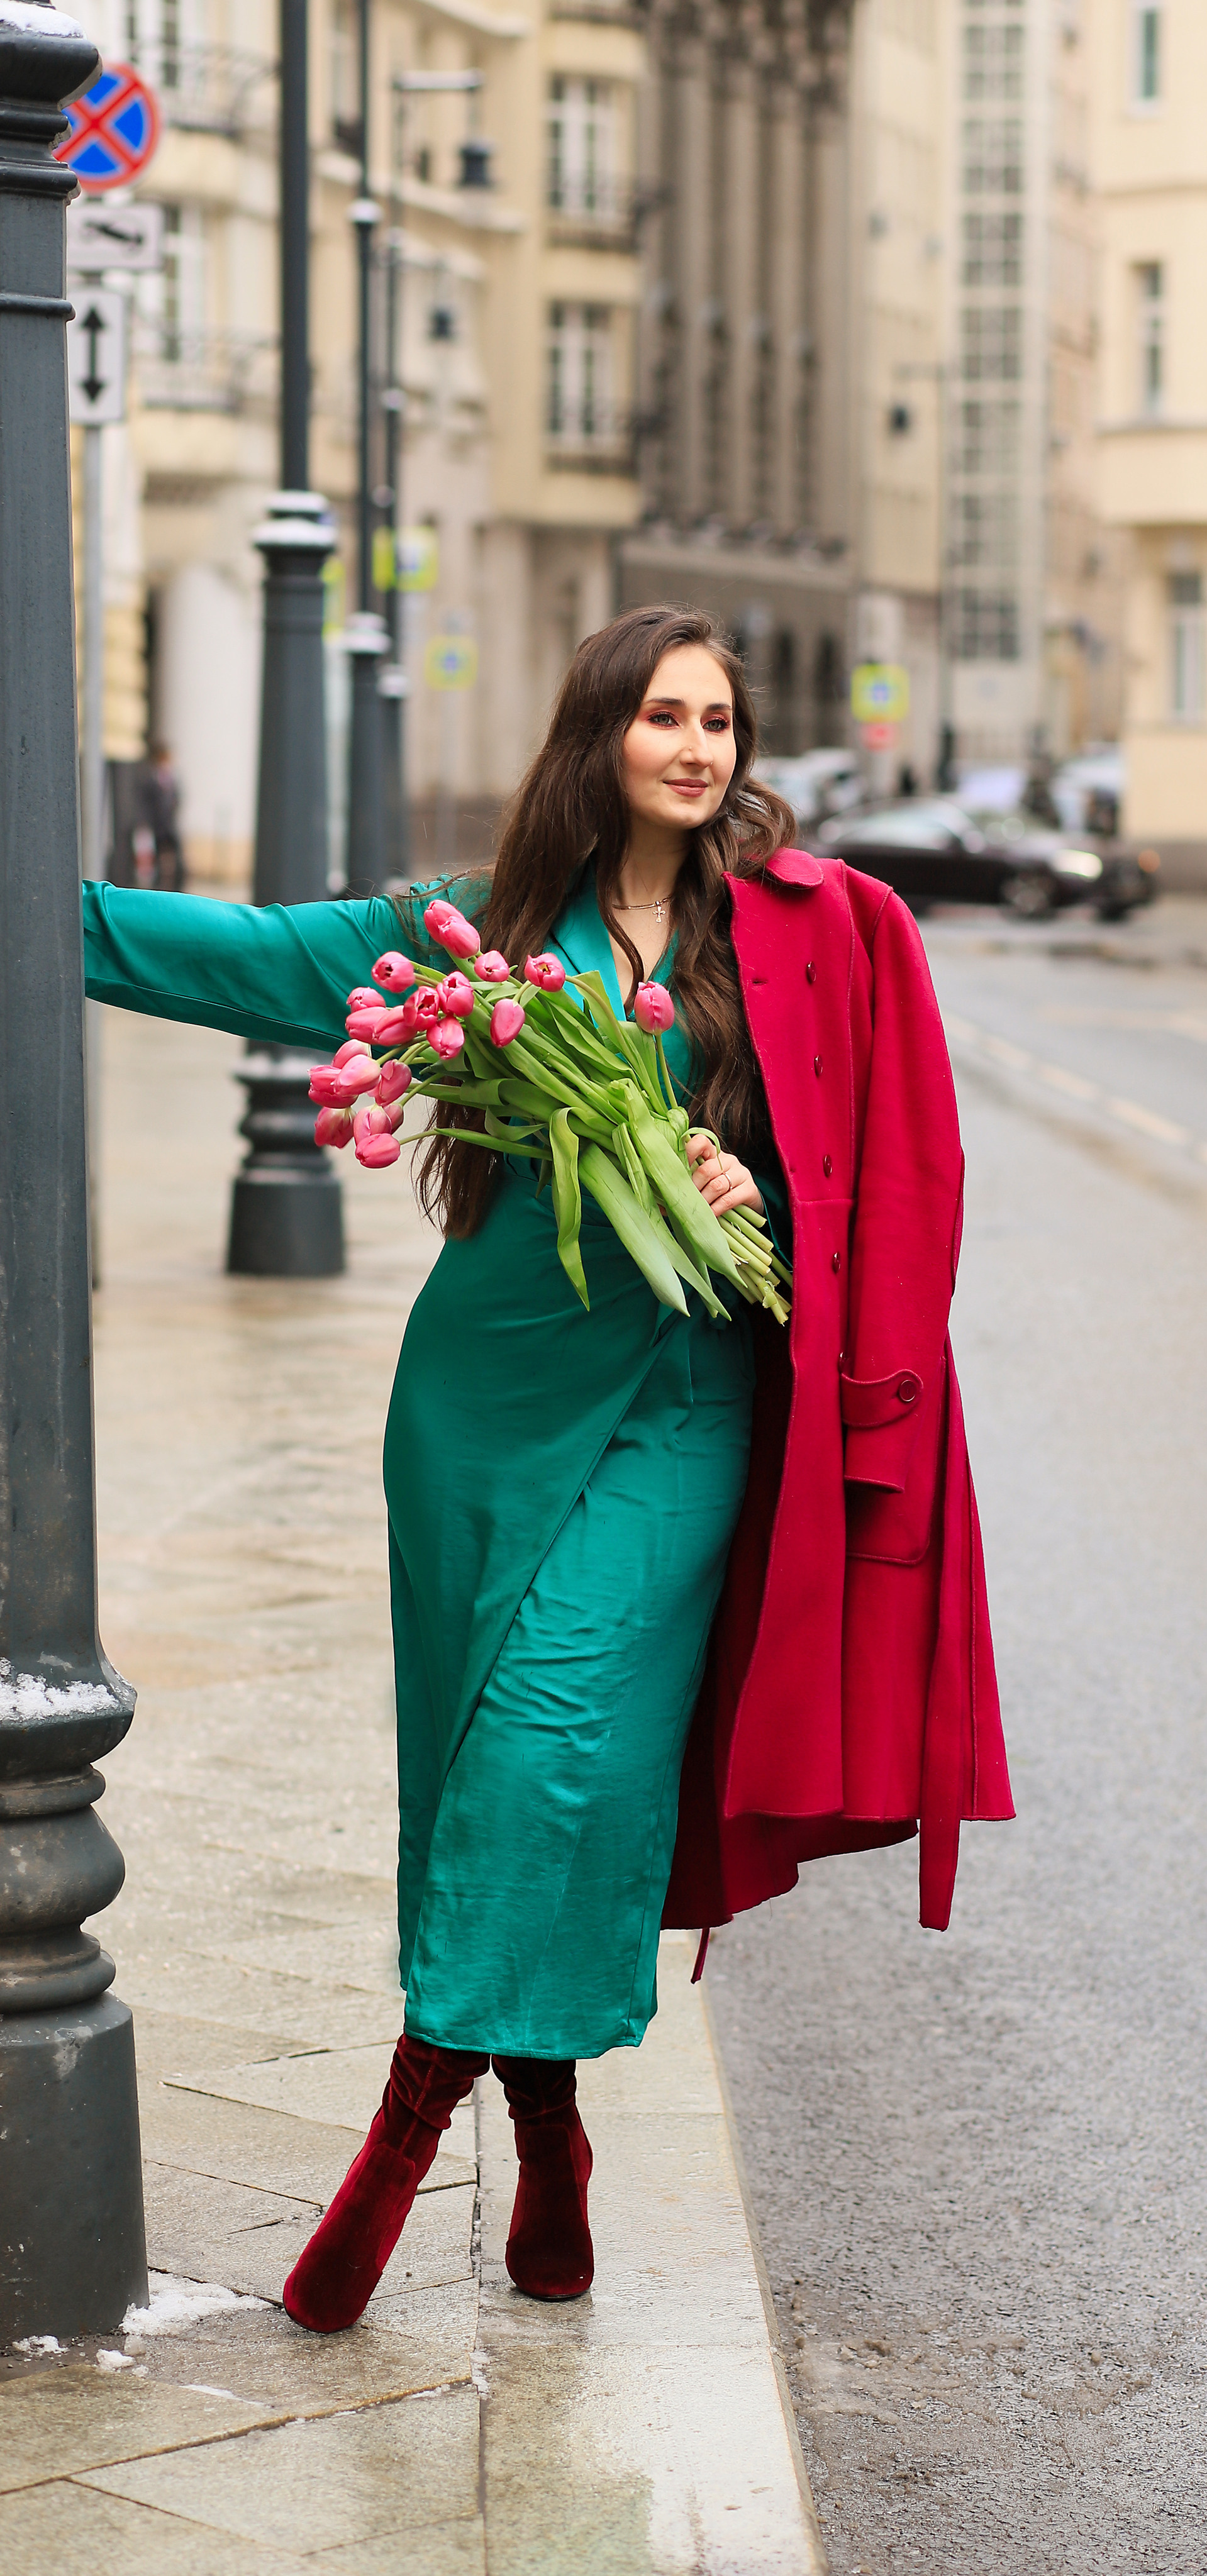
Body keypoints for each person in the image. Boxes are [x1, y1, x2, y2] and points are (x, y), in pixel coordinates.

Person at [81, 604, 1011, 2335]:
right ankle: (548, 2127)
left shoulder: (795, 933)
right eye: (662, 715)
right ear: (599, 734)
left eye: (716, 721)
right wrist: (40, 905)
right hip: (482, 1412)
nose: (695, 747)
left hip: (685, 1411)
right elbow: (238, 956)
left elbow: (878, 1162)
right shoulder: (481, 937)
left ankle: (397, 2142)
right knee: (472, 1772)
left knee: (553, 1754)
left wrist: (756, 1187)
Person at [138, 741, 185, 892]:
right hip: (157, 824)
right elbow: (146, 802)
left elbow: (177, 798)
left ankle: (178, 884)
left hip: (170, 823)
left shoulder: (173, 776)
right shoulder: (151, 777)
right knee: (157, 855)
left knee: (177, 855)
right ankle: (157, 885)